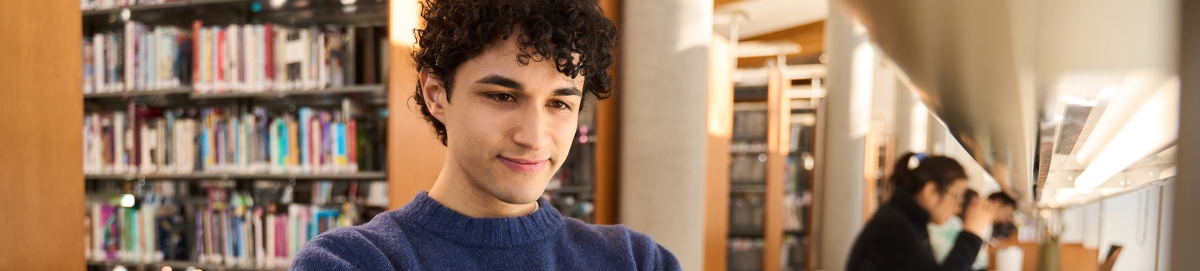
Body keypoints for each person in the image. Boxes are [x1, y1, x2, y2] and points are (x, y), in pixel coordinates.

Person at [291, 0, 681, 270]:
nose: (534, 136)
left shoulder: (637, 261)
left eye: (559, 103)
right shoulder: (355, 261)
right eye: (502, 96)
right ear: (436, 94)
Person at [846, 153, 997, 271]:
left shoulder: (906, 220)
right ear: (931, 191)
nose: (958, 208)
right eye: (957, 197)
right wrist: (971, 233)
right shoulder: (893, 226)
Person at [929, 191, 1019, 270]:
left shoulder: (988, 225)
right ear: (998, 203)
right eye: (1007, 213)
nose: (1005, 219)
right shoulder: (976, 220)